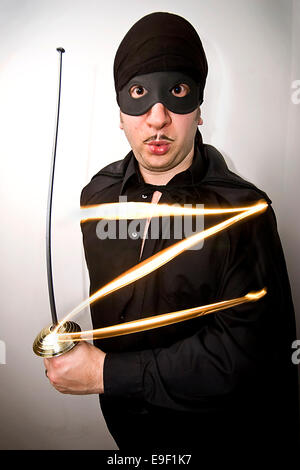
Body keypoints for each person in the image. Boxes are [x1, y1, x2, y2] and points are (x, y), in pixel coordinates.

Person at [44, 12, 299, 457]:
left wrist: (107, 373)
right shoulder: (97, 196)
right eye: (139, 95)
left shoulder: (245, 213)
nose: (157, 118)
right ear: (121, 113)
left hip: (216, 440)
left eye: (176, 92)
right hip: (126, 433)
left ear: (198, 109)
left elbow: (252, 355)